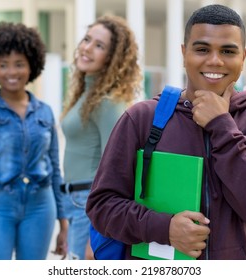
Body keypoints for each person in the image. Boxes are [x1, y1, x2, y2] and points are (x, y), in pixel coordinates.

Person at [86, 4, 246, 260]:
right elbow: (101, 206)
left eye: (228, 51)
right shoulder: (141, 118)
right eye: (202, 49)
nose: (214, 60)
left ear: (243, 57)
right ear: (183, 53)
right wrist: (164, 228)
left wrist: (221, 126)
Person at [0, 22, 67, 260]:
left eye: (19, 64)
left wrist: (64, 221)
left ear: (32, 65)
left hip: (41, 207)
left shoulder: (45, 112)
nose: (12, 72)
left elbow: (54, 170)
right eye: (3, 65)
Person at [52, 14, 142, 260]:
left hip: (89, 205)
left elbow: (117, 168)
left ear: (113, 58)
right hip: (75, 200)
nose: (87, 48)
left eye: (99, 46)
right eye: (87, 39)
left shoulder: (109, 102)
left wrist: (99, 234)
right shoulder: (88, 92)